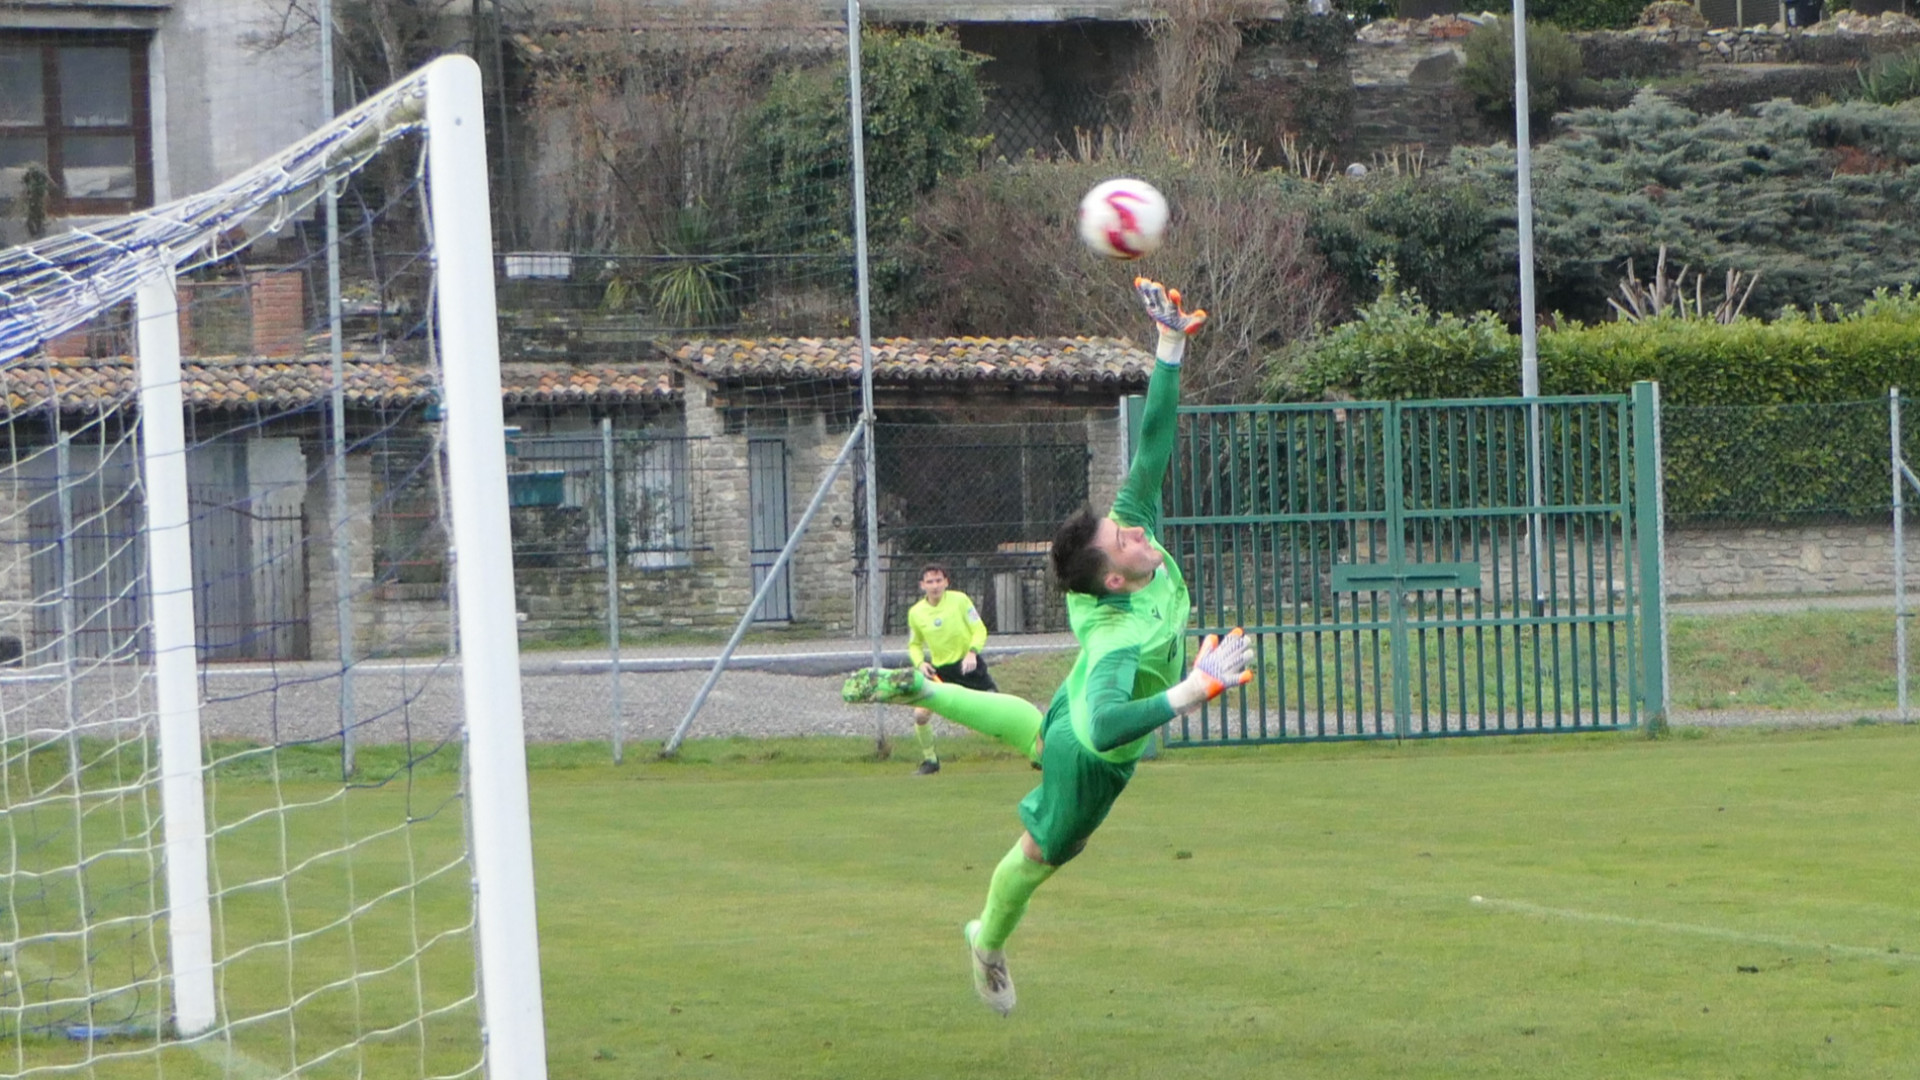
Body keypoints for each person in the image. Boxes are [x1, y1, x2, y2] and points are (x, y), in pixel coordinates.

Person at [841, 278, 1253, 1016]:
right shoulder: (1121, 630)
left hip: (1068, 711)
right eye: (1122, 540)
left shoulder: (1130, 540)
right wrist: (1196, 688)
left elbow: (1153, 442)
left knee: (1039, 727)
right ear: (1115, 583)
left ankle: (927, 691)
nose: (1133, 530)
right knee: (1041, 854)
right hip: (1095, 757)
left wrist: (1167, 348)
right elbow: (1104, 727)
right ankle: (985, 941)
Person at [902, 563, 995, 776]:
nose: (935, 586)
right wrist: (920, 663)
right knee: (920, 715)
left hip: (968, 667)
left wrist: (972, 652)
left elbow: (979, 629)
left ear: (946, 582)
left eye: (938, 581)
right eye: (930, 582)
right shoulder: (916, 613)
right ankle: (930, 761)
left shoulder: (960, 600)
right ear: (922, 585)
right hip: (941, 673)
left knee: (1001, 712)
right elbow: (914, 644)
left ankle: (1037, 754)